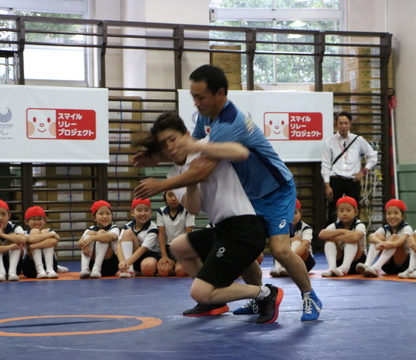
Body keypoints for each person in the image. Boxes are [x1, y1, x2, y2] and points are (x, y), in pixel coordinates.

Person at [132, 64, 322, 321]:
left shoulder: (229, 123)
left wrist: (163, 184)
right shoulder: (204, 119)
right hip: (249, 193)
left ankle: (309, 296)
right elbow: (191, 154)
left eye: (201, 97)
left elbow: (201, 168)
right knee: (242, 254)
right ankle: (256, 299)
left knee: (280, 249)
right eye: (193, 97)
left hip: (275, 189)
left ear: (220, 94)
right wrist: (157, 154)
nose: (196, 103)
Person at [150, 111, 283, 323]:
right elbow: (193, 208)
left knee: (199, 291)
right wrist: (191, 180)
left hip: (244, 226)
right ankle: (213, 301)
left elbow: (239, 151)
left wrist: (198, 149)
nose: (170, 147)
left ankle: (265, 294)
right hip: (223, 229)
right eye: (164, 144)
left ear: (186, 133)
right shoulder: (174, 174)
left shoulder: (207, 144)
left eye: (173, 139)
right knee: (179, 246)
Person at [321, 111, 378, 223]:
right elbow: (325, 164)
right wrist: (327, 185)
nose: (343, 126)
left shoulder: (358, 140)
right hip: (335, 179)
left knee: (354, 210)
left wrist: (363, 172)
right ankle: (333, 238)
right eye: (341, 123)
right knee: (333, 211)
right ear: (336, 124)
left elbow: (373, 156)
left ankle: (354, 236)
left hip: (353, 180)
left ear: (350, 124)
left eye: (346, 123)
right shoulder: (329, 142)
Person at [355, 199, 413, 277]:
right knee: (378, 237)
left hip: (402, 265)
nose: (392, 216)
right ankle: (367, 264)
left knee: (394, 237)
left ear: (403, 216)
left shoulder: (406, 227)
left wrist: (388, 244)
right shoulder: (385, 228)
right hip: (387, 266)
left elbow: (401, 241)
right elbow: (371, 237)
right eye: (389, 213)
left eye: (396, 213)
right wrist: (381, 242)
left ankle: (376, 267)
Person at [319, 196, 367, 277]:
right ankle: (332, 267)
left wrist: (336, 235)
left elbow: (355, 237)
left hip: (358, 262)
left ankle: (345, 268)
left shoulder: (359, 224)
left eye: (348, 210)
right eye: (341, 211)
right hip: (339, 262)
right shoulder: (335, 225)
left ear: (356, 212)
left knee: (351, 240)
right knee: (329, 241)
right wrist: (341, 231)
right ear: (337, 213)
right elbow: (322, 234)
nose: (345, 213)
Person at [270, 199, 315, 277]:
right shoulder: (281, 227)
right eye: (288, 213)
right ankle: (278, 268)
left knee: (297, 239)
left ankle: (288, 266)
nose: (292, 216)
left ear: (301, 213)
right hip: (282, 261)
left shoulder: (306, 227)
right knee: (278, 243)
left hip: (304, 261)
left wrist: (289, 259)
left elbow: (305, 244)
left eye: (295, 212)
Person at [117, 198, 161, 277]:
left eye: (146, 210)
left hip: (148, 255)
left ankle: (131, 269)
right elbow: (119, 244)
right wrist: (121, 261)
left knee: (148, 267)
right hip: (131, 257)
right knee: (128, 233)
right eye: (139, 210)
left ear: (151, 213)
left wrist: (127, 263)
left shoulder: (153, 228)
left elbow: (143, 249)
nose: (143, 213)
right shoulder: (128, 226)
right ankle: (129, 269)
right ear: (132, 213)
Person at [156, 190, 194, 277]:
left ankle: (176, 268)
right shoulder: (160, 211)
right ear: (165, 196)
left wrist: (184, 256)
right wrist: (164, 256)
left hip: (182, 248)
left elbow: (189, 235)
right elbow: (161, 234)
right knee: (163, 271)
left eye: (177, 195)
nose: (173, 198)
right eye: (170, 195)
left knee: (180, 271)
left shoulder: (188, 211)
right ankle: (172, 268)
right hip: (168, 249)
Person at [79, 200, 120, 279]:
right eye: (101, 214)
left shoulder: (114, 228)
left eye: (108, 213)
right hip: (92, 263)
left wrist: (92, 238)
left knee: (101, 233)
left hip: (110, 265)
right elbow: (80, 241)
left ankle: (96, 269)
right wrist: (84, 245)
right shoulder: (90, 229)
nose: (105, 216)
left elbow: (112, 237)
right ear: (94, 218)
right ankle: (85, 268)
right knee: (89, 234)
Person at [21, 206, 60, 279]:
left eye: (39, 219)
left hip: (50, 266)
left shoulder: (48, 230)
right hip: (30, 267)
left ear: (44, 221)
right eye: (33, 219)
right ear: (27, 221)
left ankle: (49, 270)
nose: (37, 222)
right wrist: (51, 235)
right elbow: (32, 239)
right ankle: (40, 270)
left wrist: (33, 246)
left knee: (44, 231)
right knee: (34, 231)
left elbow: (53, 241)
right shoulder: (24, 233)